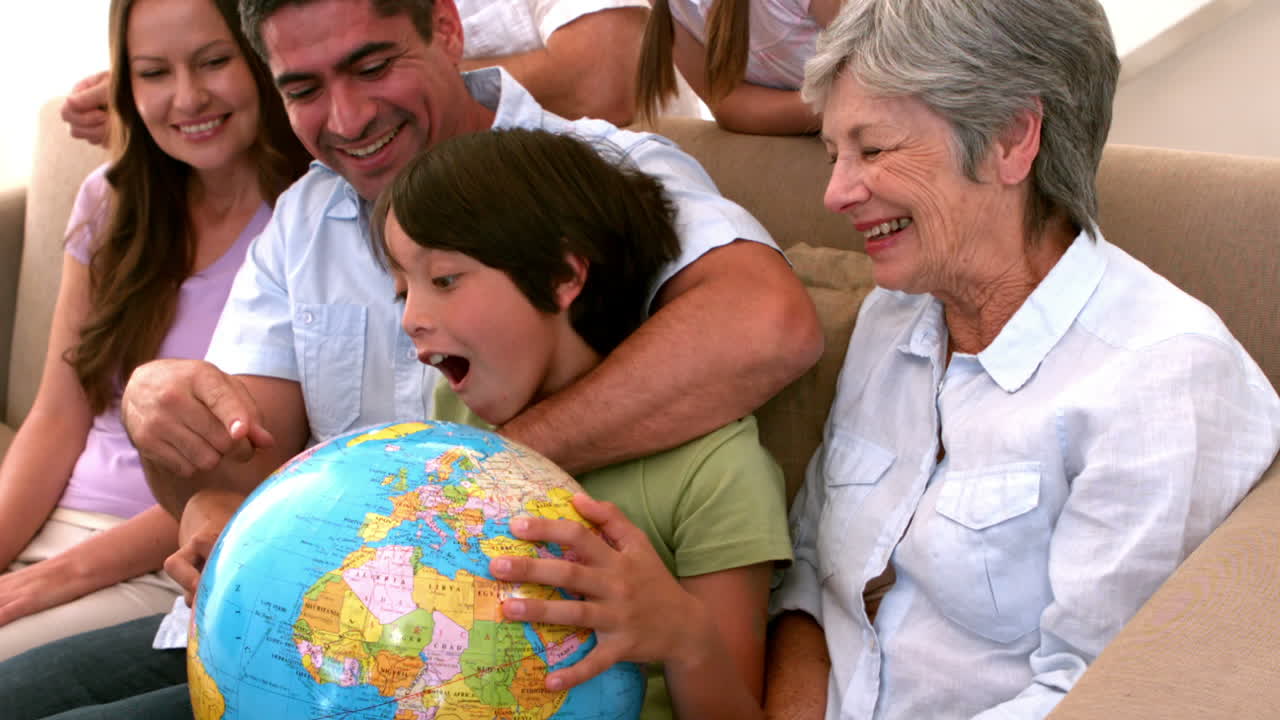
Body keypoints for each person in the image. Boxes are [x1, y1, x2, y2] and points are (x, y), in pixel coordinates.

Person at [0, 0, 819, 716]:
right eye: (304, 89)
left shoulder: (599, 172)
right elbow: (234, 472)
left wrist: (463, 487)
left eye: (371, 66)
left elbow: (769, 325)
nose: (348, 118)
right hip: (307, 627)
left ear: (447, 28)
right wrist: (166, 428)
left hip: (451, 663)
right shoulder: (306, 213)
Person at [764, 1, 1280, 718]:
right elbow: (810, 570)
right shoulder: (895, 316)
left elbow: (1094, 694)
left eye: (873, 149)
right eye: (833, 155)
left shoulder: (1162, 379)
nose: (836, 192)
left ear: (1011, 138)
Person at [373, 126, 790, 719]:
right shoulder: (455, 411)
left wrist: (684, 637)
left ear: (562, 277)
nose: (412, 317)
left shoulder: (718, 473)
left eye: (444, 280)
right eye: (402, 291)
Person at [0, 0, 309, 662]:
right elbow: (57, 414)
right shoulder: (108, 200)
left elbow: (258, 473)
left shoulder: (311, 221)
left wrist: (54, 579)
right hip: (54, 530)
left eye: (214, 61)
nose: (188, 98)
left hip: (167, 558)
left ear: (262, 60)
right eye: (154, 72)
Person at [60, 0, 649, 141]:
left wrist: (403, 68)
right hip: (368, 204)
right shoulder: (305, 223)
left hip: (555, 187)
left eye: (371, 65)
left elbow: (604, 82)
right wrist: (156, 88)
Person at [635, 0, 844, 135]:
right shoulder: (671, 6)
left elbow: (865, 53)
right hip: (830, 130)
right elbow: (726, 103)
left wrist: (841, 105)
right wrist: (829, 106)